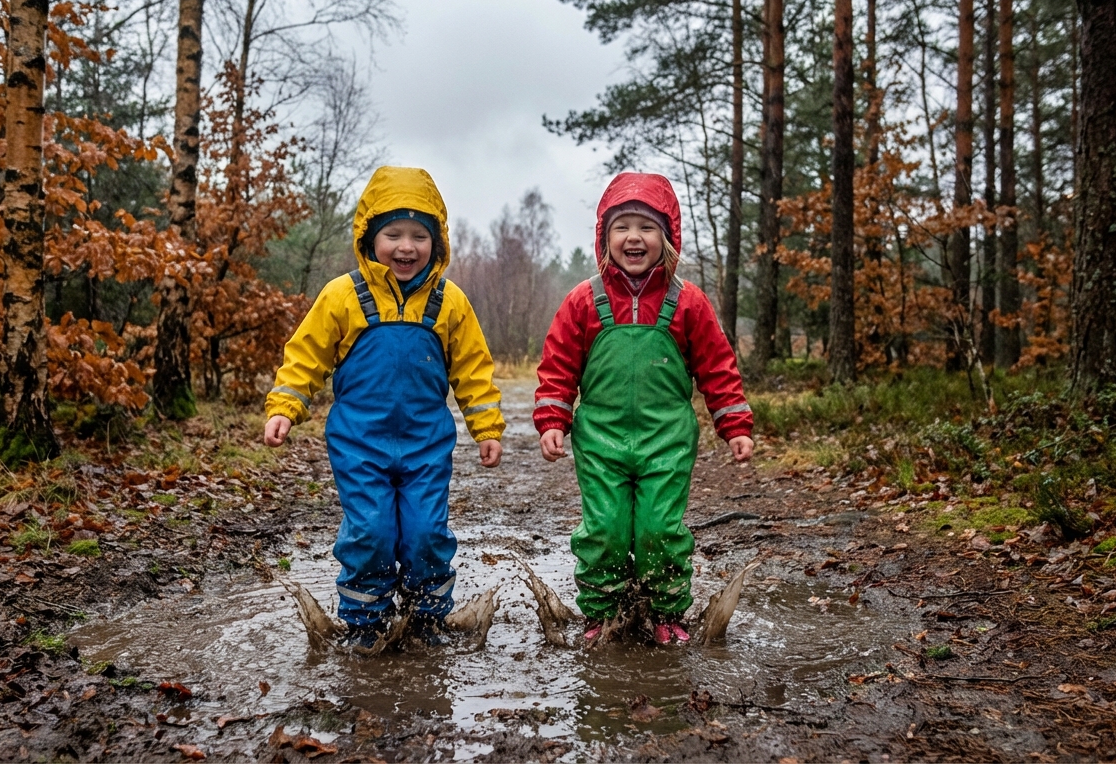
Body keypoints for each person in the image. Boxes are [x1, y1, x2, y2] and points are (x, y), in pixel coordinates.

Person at [263, 166, 505, 648]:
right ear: (369, 237)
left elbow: (473, 369)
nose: (406, 247)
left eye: (420, 235)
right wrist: (285, 405)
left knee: (425, 532)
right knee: (371, 532)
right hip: (359, 445)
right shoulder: (342, 296)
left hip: (425, 445)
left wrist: (487, 427)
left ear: (437, 243)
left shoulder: (449, 301)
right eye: (392, 234)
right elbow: (306, 354)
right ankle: (366, 622)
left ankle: (426, 617)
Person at [534, 172, 754, 646]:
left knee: (658, 530)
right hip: (600, 442)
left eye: (647, 227)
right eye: (622, 226)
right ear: (604, 237)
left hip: (666, 442)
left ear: (667, 238)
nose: (634, 237)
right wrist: (552, 418)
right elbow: (557, 365)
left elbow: (717, 366)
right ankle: (602, 611)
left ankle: (666, 610)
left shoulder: (687, 302)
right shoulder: (584, 300)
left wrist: (734, 423)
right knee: (607, 530)